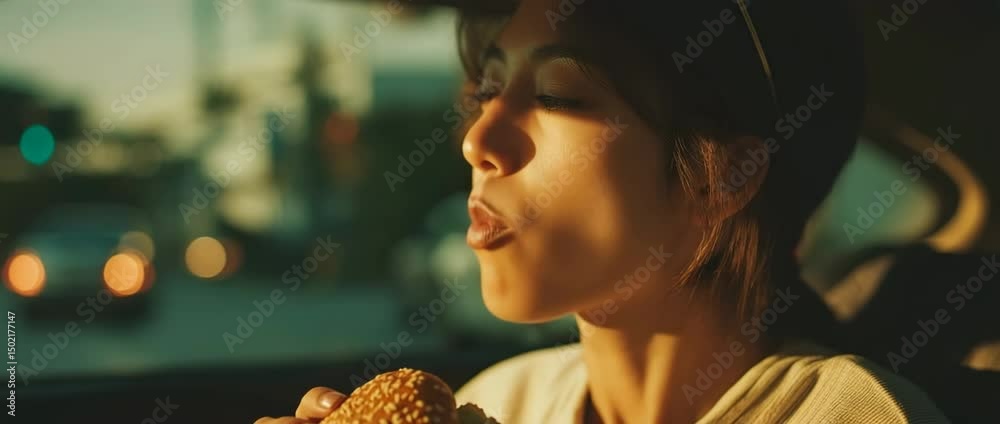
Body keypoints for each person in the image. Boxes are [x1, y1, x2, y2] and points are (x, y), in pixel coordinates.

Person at [257, 0, 951, 422]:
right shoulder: (502, 400)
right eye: (489, 88)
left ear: (722, 176)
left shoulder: (857, 416)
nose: (478, 141)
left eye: (559, 94)